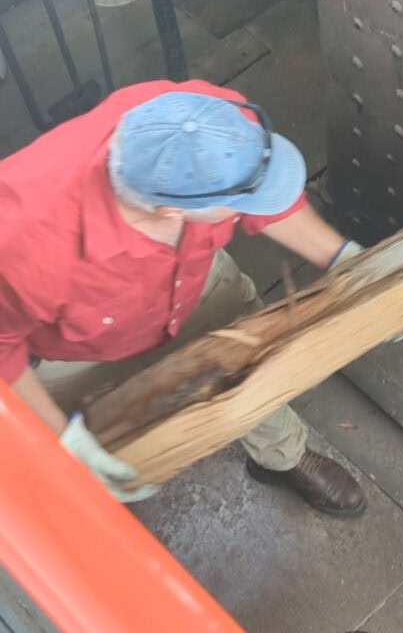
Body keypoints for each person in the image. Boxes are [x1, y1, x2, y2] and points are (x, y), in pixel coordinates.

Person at [0, 79, 369, 516]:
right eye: (233, 204)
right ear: (169, 212)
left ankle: (282, 455)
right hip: (78, 351)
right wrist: (66, 440)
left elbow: (263, 198)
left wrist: (344, 259)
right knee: (92, 460)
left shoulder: (201, 119)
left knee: (251, 369)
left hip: (193, 289)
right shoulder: (22, 241)